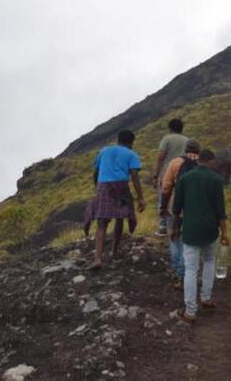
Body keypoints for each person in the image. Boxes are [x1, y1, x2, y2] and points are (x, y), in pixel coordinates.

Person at [172, 149, 230, 323]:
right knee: (209, 261)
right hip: (211, 230)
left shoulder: (184, 179)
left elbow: (176, 210)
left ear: (198, 160)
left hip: (190, 230)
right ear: (211, 161)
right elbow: (221, 210)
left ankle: (190, 311)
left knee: (191, 269)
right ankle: (206, 297)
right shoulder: (216, 180)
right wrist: (225, 232)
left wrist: (175, 229)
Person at [84, 129, 146, 269]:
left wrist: (97, 189)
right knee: (120, 217)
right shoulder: (132, 154)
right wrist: (140, 198)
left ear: (118, 140)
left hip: (103, 186)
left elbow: (96, 171)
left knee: (102, 222)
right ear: (131, 143)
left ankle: (98, 259)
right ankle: (114, 251)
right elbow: (135, 177)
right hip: (121, 186)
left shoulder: (104, 151)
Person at [161, 138, 201, 288]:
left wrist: (163, 207)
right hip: (196, 209)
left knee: (174, 238)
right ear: (198, 151)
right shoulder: (203, 164)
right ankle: (186, 275)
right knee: (188, 242)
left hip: (176, 208)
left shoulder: (175, 163)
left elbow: (166, 188)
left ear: (186, 149)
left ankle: (179, 272)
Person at [152, 119, 188, 236]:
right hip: (183, 172)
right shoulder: (187, 141)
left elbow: (160, 158)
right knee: (180, 199)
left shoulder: (166, 139)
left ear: (170, 128)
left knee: (163, 198)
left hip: (167, 172)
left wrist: (155, 175)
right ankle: (180, 225)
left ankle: (163, 226)